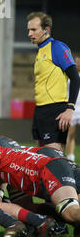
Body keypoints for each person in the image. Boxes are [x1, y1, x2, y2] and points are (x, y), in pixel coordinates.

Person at [27, 12, 80, 151]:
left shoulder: (56, 47)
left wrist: (70, 108)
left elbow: (75, 77)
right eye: (28, 30)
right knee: (41, 158)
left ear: (46, 30)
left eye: (33, 30)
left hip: (54, 110)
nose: (29, 34)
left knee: (53, 158)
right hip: (40, 110)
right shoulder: (40, 51)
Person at [65, 56, 80, 161]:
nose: (77, 63)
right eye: (76, 61)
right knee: (71, 133)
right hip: (73, 107)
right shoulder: (71, 76)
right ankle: (70, 156)